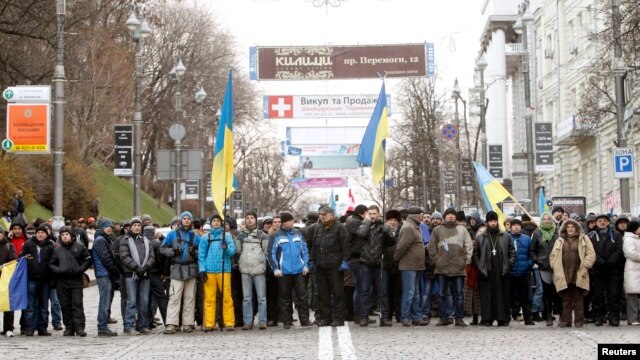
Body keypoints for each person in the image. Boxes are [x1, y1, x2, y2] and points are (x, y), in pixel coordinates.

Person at [428, 208, 473, 327]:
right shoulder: (437, 230)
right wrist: (437, 261)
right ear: (444, 216)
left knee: (459, 294)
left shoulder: (462, 230)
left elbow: (468, 246)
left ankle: (459, 318)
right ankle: (444, 317)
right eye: (448, 215)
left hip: (458, 268)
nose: (451, 217)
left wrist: (465, 261)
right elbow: (431, 247)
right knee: (441, 294)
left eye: (453, 215)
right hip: (441, 268)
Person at [549, 218, 595, 328]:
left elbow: (591, 254)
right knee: (566, 298)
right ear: (565, 229)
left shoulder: (584, 239)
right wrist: (554, 266)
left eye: (572, 227)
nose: (570, 229)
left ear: (576, 229)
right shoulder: (559, 240)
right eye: (568, 227)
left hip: (579, 271)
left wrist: (586, 265)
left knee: (578, 298)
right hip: (563, 273)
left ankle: (579, 321)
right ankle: (566, 321)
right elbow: (553, 256)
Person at [160, 211, 201, 334]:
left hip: (191, 269)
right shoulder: (172, 234)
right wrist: (173, 252)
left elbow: (202, 252)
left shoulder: (196, 237)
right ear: (181, 221)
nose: (187, 220)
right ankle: (171, 323)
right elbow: (162, 248)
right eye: (185, 218)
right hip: (177, 269)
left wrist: (195, 253)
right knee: (174, 297)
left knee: (189, 298)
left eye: (189, 218)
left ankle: (188, 323)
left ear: (191, 221)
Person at [309, 206, 350, 327]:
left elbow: (345, 246)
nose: (322, 216)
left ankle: (338, 318)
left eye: (324, 214)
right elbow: (314, 246)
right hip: (321, 265)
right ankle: (325, 318)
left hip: (335, 266)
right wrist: (312, 260)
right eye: (321, 214)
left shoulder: (340, 228)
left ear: (331, 215)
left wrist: (345, 260)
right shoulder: (318, 228)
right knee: (323, 294)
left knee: (337, 293)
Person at [269, 212, 310, 329]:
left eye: (293, 220)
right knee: (285, 298)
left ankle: (305, 320)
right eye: (290, 220)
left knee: (302, 296)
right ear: (284, 222)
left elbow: (305, 251)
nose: (292, 222)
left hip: (299, 270)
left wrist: (306, 265)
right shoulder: (276, 236)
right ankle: (287, 321)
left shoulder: (298, 233)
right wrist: (276, 268)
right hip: (284, 272)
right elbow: (270, 254)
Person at [356, 205, 395, 326]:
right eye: (370, 213)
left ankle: (384, 317)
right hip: (365, 262)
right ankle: (363, 317)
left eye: (374, 214)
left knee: (382, 291)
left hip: (380, 263)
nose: (372, 216)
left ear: (379, 214)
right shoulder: (363, 224)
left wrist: (387, 232)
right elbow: (361, 234)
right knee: (365, 291)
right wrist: (368, 222)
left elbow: (391, 242)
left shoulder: (384, 225)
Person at [474, 211, 515, 326]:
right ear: (487, 223)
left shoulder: (505, 236)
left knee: (502, 295)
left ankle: (503, 318)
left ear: (497, 222)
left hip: (502, 270)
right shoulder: (481, 237)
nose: (493, 223)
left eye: (494, 221)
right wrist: (479, 267)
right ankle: (487, 318)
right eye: (490, 221)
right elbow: (475, 254)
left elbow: (512, 252)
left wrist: (509, 265)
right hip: (486, 270)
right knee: (487, 296)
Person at [49, 227, 91, 337]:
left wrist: (80, 269)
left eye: (66, 234)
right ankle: (69, 327)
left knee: (77, 304)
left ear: (71, 235)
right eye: (62, 235)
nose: (65, 236)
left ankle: (80, 327)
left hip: (76, 280)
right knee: (65, 305)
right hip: (62, 281)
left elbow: (87, 259)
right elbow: (51, 264)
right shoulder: (57, 249)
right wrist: (58, 271)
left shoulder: (79, 246)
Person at [199, 214, 236, 331]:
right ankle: (209, 323)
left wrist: (226, 248)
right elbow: (201, 255)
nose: (216, 223)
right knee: (209, 299)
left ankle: (229, 322)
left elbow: (232, 252)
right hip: (209, 271)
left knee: (227, 297)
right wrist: (202, 269)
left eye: (218, 221)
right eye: (214, 221)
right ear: (210, 223)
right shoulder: (205, 237)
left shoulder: (227, 236)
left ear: (221, 223)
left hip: (224, 270)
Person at [120, 217, 156, 335]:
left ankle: (143, 325)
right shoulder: (125, 240)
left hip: (145, 274)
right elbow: (124, 257)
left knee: (144, 301)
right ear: (131, 227)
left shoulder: (146, 240)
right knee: (132, 301)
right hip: (131, 274)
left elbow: (151, 256)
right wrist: (136, 268)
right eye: (134, 225)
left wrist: (145, 268)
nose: (137, 227)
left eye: (138, 225)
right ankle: (129, 326)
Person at [234, 211, 269, 330]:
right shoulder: (240, 236)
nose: (250, 220)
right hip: (245, 270)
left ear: (255, 220)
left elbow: (266, 252)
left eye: (252, 218)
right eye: (247, 218)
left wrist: (263, 264)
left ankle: (263, 321)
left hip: (259, 270)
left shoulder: (263, 235)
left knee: (262, 298)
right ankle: (247, 321)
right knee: (247, 298)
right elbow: (237, 252)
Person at [587, 214, 624, 326]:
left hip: (613, 269)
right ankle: (599, 317)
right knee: (598, 295)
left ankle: (613, 317)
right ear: (596, 223)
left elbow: (618, 249)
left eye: (604, 221)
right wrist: (600, 261)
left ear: (608, 222)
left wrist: (611, 261)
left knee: (613, 294)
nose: (602, 222)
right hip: (598, 270)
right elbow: (591, 251)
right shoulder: (592, 236)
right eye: (600, 221)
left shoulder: (616, 234)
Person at [20, 224, 55, 336]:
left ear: (46, 234)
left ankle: (42, 328)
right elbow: (21, 258)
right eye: (38, 232)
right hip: (31, 279)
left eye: (43, 233)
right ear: (36, 233)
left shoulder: (50, 246)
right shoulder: (29, 244)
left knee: (44, 306)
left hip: (45, 280)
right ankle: (29, 328)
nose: (40, 234)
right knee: (30, 306)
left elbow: (53, 261)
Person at [395, 207, 426, 326]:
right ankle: (405, 317)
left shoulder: (415, 226)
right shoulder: (409, 227)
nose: (422, 216)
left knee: (416, 293)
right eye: (421, 214)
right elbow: (402, 246)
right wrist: (396, 259)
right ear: (415, 216)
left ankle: (416, 317)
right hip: (409, 265)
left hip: (416, 265)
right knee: (409, 293)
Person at [531, 212, 560, 326]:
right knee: (546, 292)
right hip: (543, 266)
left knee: (557, 292)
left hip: (557, 266)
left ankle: (560, 314)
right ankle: (548, 315)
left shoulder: (558, 232)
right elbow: (532, 250)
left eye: (549, 219)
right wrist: (537, 261)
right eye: (545, 219)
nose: (547, 221)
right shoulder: (537, 233)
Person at [92, 218, 120, 336]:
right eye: (107, 226)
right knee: (105, 300)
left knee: (106, 300)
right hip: (104, 274)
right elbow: (106, 259)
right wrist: (116, 272)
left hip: (106, 274)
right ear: (102, 227)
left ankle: (103, 324)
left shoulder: (105, 239)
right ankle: (102, 326)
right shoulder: (100, 240)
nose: (109, 228)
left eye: (111, 226)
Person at [508, 218, 534, 325]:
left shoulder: (527, 239)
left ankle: (528, 318)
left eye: (518, 225)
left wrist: (528, 265)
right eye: (514, 225)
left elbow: (532, 254)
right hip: (510, 273)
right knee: (509, 296)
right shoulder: (506, 238)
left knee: (525, 297)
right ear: (510, 227)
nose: (516, 227)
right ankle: (508, 317)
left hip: (524, 272)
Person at [622, 220, 640, 325]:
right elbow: (632, 253)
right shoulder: (628, 239)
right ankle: (632, 318)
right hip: (633, 269)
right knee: (633, 294)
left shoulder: (637, 238)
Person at [0, 226, 17, 337]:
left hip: (6, 278)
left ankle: (8, 328)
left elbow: (12, 261)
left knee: (8, 304)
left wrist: (3, 268)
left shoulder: (9, 246)